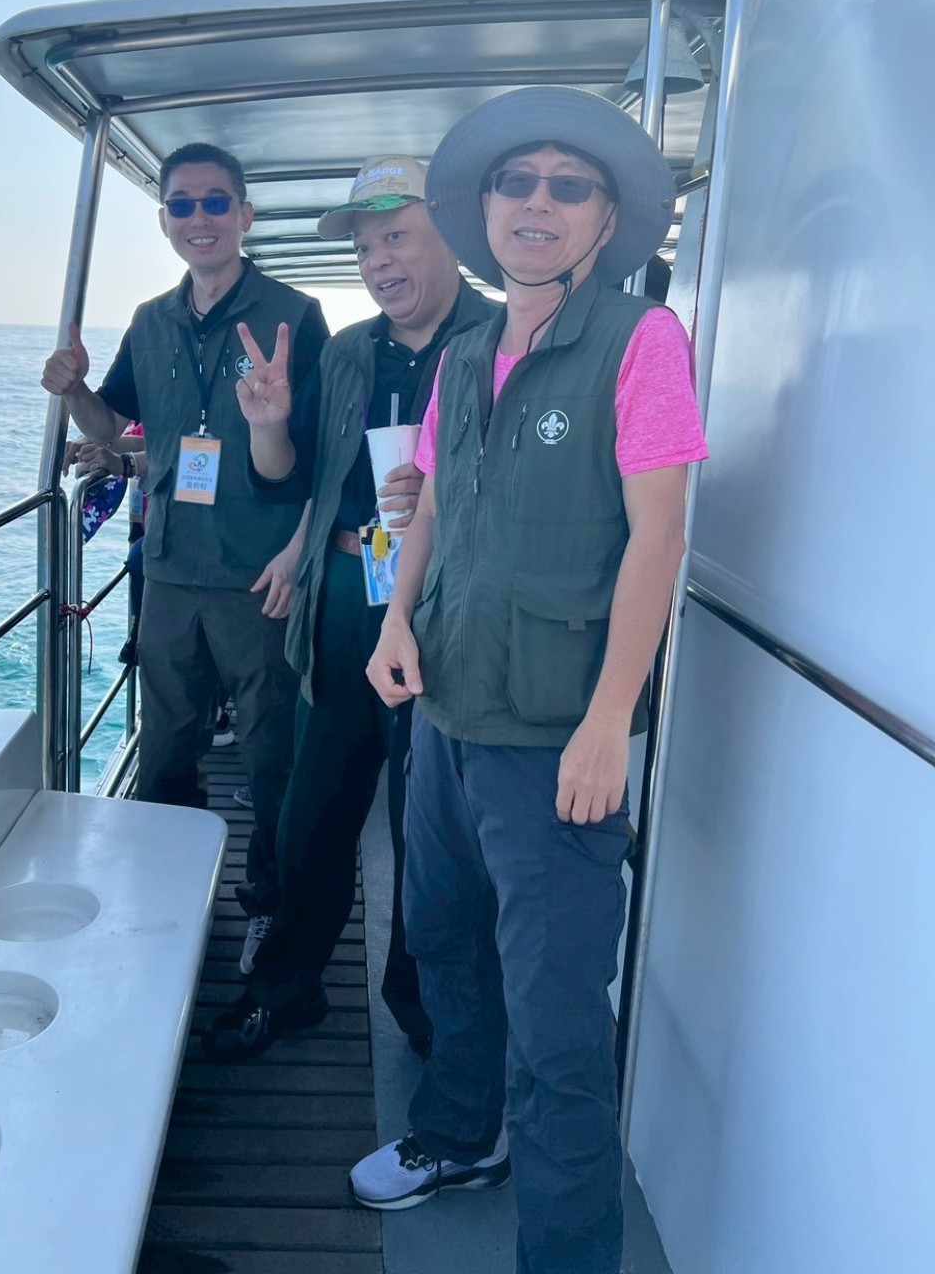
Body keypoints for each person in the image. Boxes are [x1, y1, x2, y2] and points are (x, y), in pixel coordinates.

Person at [350, 90, 709, 1274]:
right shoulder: (464, 353)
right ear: (486, 209)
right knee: (443, 942)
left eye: (569, 185)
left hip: (555, 742)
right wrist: (395, 620)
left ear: (606, 220)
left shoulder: (641, 341)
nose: (538, 203)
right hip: (445, 715)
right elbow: (430, 508)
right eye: (519, 182)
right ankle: (461, 1137)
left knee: (557, 1037)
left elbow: (659, 535)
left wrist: (609, 721)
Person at [200, 156, 494, 1059]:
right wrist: (267, 426)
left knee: (427, 823)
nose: (378, 261)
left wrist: (449, 493)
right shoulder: (346, 351)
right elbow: (291, 480)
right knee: (313, 809)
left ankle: (423, 1003)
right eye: (365, 247)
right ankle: (287, 988)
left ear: (451, 233)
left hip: (448, 606)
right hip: (343, 597)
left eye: (396, 235)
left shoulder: (502, 338)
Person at [41, 143, 329, 950]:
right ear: (165, 219)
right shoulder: (150, 321)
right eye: (181, 204)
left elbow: (323, 455)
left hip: (258, 573)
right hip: (169, 569)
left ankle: (269, 902)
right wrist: (74, 390)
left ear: (244, 215)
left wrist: (300, 554)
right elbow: (113, 426)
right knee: (166, 745)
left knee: (272, 751)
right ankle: (168, 901)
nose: (198, 218)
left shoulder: (296, 316)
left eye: (214, 202)